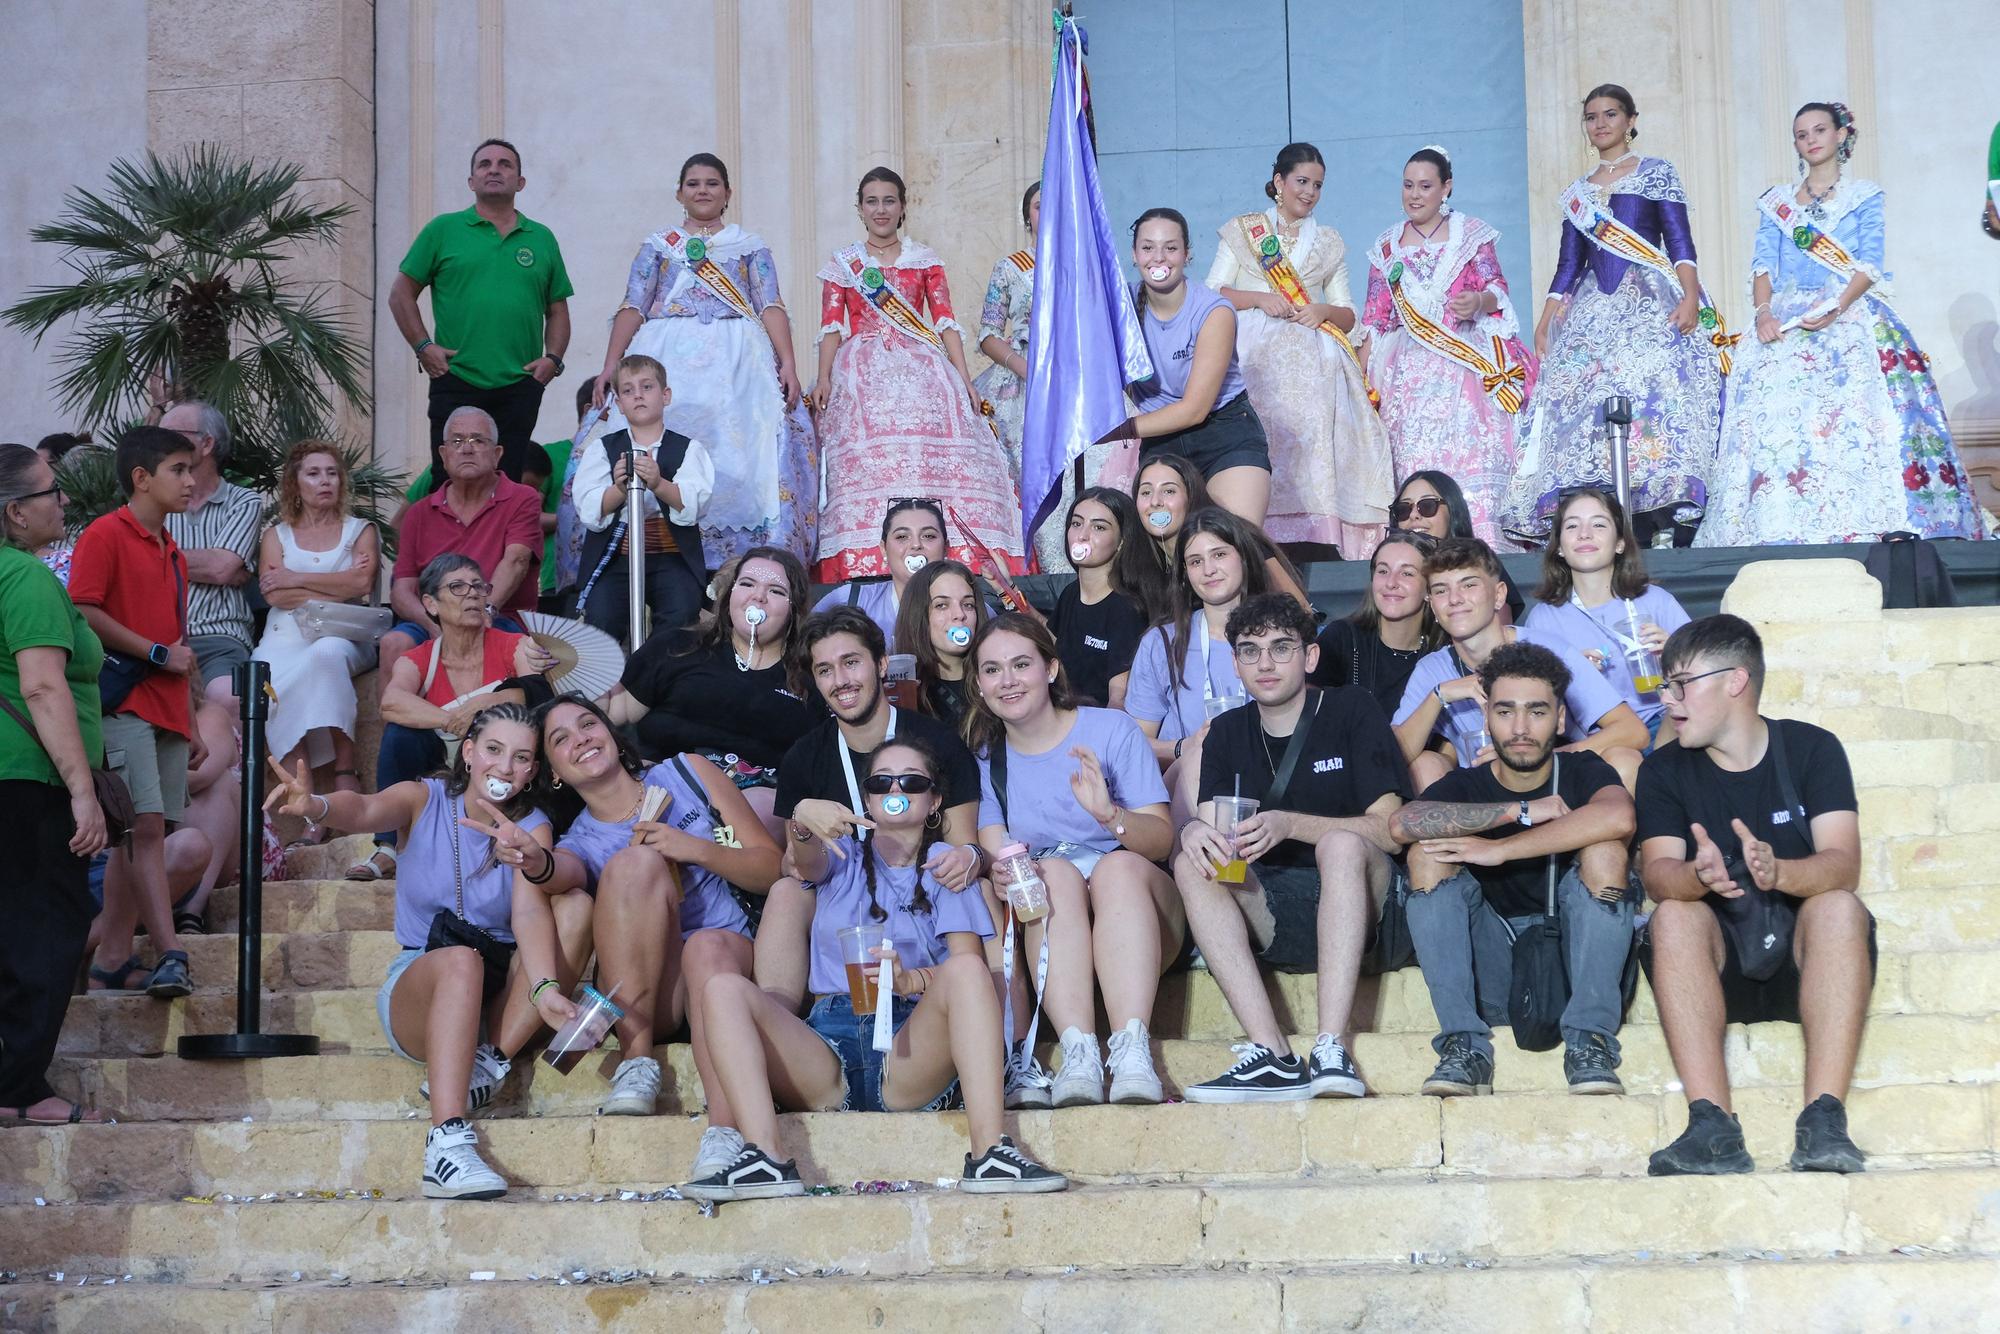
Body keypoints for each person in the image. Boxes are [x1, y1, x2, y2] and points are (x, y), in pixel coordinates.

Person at [685, 736, 1065, 1200]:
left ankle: (988, 1152)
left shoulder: (948, 869)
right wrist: (803, 819)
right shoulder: (838, 857)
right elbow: (804, 862)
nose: (894, 789)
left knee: (966, 973)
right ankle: (765, 1157)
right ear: (866, 797)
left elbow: (969, 969)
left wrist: (910, 980)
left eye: (911, 781)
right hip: (827, 1046)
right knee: (722, 987)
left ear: (934, 801)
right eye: (881, 782)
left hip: (908, 1050)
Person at [263, 704, 593, 1198]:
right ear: (469, 753)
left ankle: (489, 1061)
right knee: (461, 959)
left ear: (532, 772)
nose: (505, 767)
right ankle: (446, 1146)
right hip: (424, 982)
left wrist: (544, 987)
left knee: (575, 904)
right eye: (495, 750)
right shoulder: (425, 798)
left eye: (521, 758)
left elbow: (528, 915)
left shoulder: (533, 826)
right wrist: (317, 806)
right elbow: (366, 809)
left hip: (500, 989)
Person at [1636, 616, 1871, 1176]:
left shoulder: (1812, 748)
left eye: (1682, 683)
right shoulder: (1663, 769)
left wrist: (1779, 872)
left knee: (1839, 906)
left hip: (1807, 965)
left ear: (1735, 681)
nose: (1670, 700)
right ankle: (1712, 1128)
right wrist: (1699, 879)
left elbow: (1844, 864)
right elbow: (1656, 874)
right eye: (1667, 685)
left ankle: (1823, 1122)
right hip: (1715, 969)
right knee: (1672, 915)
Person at [1698, 102, 1984, 546]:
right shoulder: (1776, 204)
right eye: (1801, 133)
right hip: (1784, 321)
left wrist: (1836, 307)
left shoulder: (1864, 195)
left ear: (1839, 135)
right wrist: (1764, 314)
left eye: (1818, 130)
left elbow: (1870, 264)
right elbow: (1762, 267)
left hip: (1849, 315)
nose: (1810, 139)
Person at [532, 696, 780, 1184]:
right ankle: (637, 1060)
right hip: (654, 993)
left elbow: (771, 867)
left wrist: (696, 849)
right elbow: (556, 873)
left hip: (725, 959)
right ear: (554, 772)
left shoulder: (688, 772)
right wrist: (533, 861)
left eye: (588, 723)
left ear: (612, 733)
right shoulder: (578, 843)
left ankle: (725, 1134)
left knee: (704, 948)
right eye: (561, 739)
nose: (580, 738)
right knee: (632, 863)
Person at [1174, 594, 1407, 1102]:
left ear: (1310, 656)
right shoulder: (1228, 731)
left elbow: (1392, 829)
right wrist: (1191, 832)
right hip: (1280, 911)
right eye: (1250, 651)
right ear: (1234, 663)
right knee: (1194, 865)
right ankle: (1272, 1054)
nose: (1266, 663)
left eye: (1282, 648)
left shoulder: (1350, 708)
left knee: (1341, 846)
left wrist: (1290, 825)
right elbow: (1217, 838)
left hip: (1367, 911)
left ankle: (1331, 1047)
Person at [1391, 641, 1637, 1097]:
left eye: (1537, 712)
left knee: (1606, 850)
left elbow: (1618, 817)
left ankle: (1590, 1041)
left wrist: (1501, 850)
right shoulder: (1467, 783)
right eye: (1505, 712)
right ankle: (1464, 1046)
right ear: (1486, 719)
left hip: (1571, 964)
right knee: (1426, 855)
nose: (1520, 728)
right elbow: (1402, 823)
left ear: (1560, 719)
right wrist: (1518, 812)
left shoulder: (1581, 769)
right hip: (1496, 970)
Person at [968, 614, 1178, 1109]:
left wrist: (1109, 815)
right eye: (993, 670)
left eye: (1022, 664)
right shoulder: (986, 759)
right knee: (1051, 873)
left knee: (1117, 868)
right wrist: (999, 873)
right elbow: (1003, 855)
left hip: (1138, 907)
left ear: (1051, 668)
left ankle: (1131, 1051)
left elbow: (1161, 842)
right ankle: (1079, 1050)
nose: (1009, 680)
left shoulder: (1111, 730)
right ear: (978, 685)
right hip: (1053, 920)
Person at [1511, 84, 1726, 543]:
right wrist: (1546, 319)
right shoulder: (1576, 195)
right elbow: (1568, 266)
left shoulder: (1655, 173)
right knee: (1580, 399)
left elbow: (1680, 242)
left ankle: (1660, 511)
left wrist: (1689, 296)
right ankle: (1595, 507)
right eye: (1591, 117)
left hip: (1650, 298)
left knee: (1653, 392)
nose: (1601, 123)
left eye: (1610, 114)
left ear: (1631, 120)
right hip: (1591, 311)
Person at [594, 152, 818, 566]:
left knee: (741, 448)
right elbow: (633, 306)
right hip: (667, 355)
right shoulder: (659, 246)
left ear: (727, 193)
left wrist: (787, 362)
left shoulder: (749, 246)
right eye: (693, 183)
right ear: (679, 192)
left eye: (712, 183)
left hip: (737, 363)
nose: (702, 190)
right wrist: (612, 362)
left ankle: (738, 555)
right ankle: (654, 538)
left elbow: (770, 305)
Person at [767, 608, 988, 1009]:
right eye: (825, 670)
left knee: (978, 889)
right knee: (786, 892)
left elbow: (966, 846)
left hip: (923, 889)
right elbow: (797, 866)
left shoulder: (936, 742)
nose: (841, 681)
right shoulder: (804, 757)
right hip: (845, 894)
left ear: (881, 664)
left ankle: (1012, 1042)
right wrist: (801, 822)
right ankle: (778, 1020)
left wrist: (970, 857)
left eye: (851, 662)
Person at [812, 167, 1023, 583]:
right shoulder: (843, 265)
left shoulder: (924, 260)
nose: (880, 209)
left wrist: (963, 379)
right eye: (871, 201)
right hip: (862, 370)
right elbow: (831, 328)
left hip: (922, 364)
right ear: (859, 208)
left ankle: (943, 545)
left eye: (889, 200)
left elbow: (945, 322)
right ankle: (869, 552)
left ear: (903, 206)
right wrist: (823, 379)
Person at [70, 426, 204, 999]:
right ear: (141, 478)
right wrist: (154, 653)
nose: (191, 480)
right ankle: (172, 951)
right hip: (122, 702)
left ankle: (114, 957)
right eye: (179, 468)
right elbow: (82, 609)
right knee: (144, 829)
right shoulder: (104, 534)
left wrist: (193, 720)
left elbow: (181, 645)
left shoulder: (173, 551)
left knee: (145, 830)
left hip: (168, 707)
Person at [1208, 144, 1393, 551]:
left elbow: (1349, 315)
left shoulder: (1329, 241)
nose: (1309, 192)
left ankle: (1317, 527)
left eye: (1318, 186)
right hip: (1251, 344)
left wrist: (1322, 308)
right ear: (1279, 182)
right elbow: (1214, 292)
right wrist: (1257, 299)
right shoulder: (1244, 230)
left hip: (1314, 352)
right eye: (1301, 182)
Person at [0, 444, 110, 1125]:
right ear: (14, 512)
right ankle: (18, 1088)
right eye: (50, 492)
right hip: (27, 780)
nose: (63, 502)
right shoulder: (28, 579)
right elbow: (42, 686)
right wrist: (81, 789)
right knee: (48, 928)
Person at [1362, 148, 1534, 547]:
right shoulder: (1387, 246)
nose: (1415, 195)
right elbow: (1376, 317)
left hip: (1465, 365)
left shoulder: (1471, 234)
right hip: (1407, 372)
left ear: (1446, 188)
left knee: (1473, 456)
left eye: (1425, 186)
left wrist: (1478, 302)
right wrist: (1361, 379)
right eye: (1408, 186)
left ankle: (1481, 541)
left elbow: (1497, 290)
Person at [1392, 537, 1648, 792]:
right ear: (1433, 607)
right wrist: (1440, 695)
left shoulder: (1550, 650)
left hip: (1558, 781)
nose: (1454, 599)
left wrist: (1542, 760)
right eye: (1440, 590)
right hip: (1487, 797)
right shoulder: (1432, 670)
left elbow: (1633, 731)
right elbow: (1393, 756)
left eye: (1468, 585)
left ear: (1499, 595)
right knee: (1423, 765)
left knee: (1625, 760)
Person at [390, 137, 574, 487]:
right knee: (449, 481)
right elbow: (400, 294)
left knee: (508, 484)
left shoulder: (541, 238)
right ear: (471, 181)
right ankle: (449, 546)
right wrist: (423, 347)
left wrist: (553, 359)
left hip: (520, 383)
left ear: (520, 182)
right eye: (484, 164)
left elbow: (558, 309)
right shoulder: (442, 231)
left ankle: (503, 546)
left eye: (505, 164)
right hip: (455, 378)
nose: (494, 169)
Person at [357, 552, 551, 880]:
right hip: (445, 762)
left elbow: (536, 690)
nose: (473, 594)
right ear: (431, 603)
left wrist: (490, 701)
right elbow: (391, 702)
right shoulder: (417, 658)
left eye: (479, 586)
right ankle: (388, 845)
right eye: (458, 587)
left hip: (501, 761)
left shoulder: (515, 644)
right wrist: (451, 721)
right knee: (400, 735)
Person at [609, 548, 820, 798]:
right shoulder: (677, 647)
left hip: (758, 805)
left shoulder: (810, 677)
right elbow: (615, 710)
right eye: (747, 583)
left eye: (776, 591)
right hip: (666, 792)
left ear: (794, 607)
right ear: (730, 593)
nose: (758, 596)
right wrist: (567, 666)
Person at [1125, 510, 1296, 811]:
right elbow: (1134, 746)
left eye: (1218, 554)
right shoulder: (1162, 643)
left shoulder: (1282, 641)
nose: (1208, 569)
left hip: (1265, 788)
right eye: (1195, 561)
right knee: (1203, 756)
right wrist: (1186, 747)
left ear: (1243, 557)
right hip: (1186, 789)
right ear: (1185, 574)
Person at [974, 182, 1104, 574]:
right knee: (1033, 476)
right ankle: (1042, 569)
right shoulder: (1011, 267)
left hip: (1079, 377)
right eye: (1036, 206)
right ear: (1025, 216)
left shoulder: (1085, 261)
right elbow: (987, 335)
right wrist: (1027, 369)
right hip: (1023, 385)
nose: (1044, 212)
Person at [251, 441, 380, 814]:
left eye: (332, 473)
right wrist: (333, 582)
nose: (325, 481)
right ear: (295, 483)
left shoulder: (360, 531)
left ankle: (344, 768)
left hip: (344, 633)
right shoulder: (277, 536)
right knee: (267, 678)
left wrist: (295, 578)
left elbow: (361, 586)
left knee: (326, 654)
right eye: (313, 473)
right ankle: (304, 799)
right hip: (283, 636)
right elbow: (275, 597)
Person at [1126, 208, 1273, 527]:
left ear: (1187, 255)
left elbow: (1194, 410)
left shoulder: (1213, 310)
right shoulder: (1120, 306)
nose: (1158, 258)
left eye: (1171, 247)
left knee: (1235, 542)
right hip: (1161, 442)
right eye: (1148, 247)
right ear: (1135, 254)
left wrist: (1117, 430)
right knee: (1167, 551)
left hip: (1225, 431)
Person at [378, 407, 547, 676]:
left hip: (499, 616)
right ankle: (397, 720)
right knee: (393, 643)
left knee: (486, 642)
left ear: (497, 454)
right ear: (443, 455)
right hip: (434, 618)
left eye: (478, 440)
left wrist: (484, 613)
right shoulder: (419, 513)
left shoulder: (521, 498)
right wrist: (435, 624)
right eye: (457, 441)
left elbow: (516, 560)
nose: (467, 449)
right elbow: (402, 591)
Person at [1526, 488, 1689, 747]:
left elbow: (1705, 675)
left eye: (1599, 524)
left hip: (1663, 727)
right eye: (1572, 526)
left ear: (1620, 543)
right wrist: (1566, 679)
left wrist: (1675, 652)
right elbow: (1535, 702)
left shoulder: (1656, 601)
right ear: (1558, 547)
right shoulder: (1542, 619)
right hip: (1593, 739)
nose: (1584, 534)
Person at [571, 354, 714, 643]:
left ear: (665, 395)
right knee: (602, 617)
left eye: (646, 387)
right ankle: (611, 686)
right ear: (619, 404)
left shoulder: (689, 449)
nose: (638, 395)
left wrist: (659, 483)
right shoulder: (602, 449)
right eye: (627, 390)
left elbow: (693, 504)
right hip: (617, 554)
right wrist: (620, 488)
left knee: (680, 617)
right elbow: (589, 509)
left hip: (671, 553)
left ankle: (662, 683)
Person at [158, 400, 263, 690]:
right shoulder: (152, 501)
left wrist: (155, 558)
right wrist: (216, 563)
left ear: (206, 444)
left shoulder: (243, 501)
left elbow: (220, 569)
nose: (159, 444)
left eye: (173, 434)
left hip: (220, 636)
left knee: (226, 697)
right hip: (157, 637)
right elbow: (127, 560)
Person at [1309, 528, 1442, 717]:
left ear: (1429, 589)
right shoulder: (1342, 638)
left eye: (1407, 574)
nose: (1391, 583)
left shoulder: (1442, 650)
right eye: (1383, 571)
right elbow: (1309, 718)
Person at [1049, 487, 1151, 708]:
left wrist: (1102, 737)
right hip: (1061, 717)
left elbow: (1119, 696)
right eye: (1077, 523)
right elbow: (1050, 641)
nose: (1083, 535)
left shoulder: (1126, 608)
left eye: (1099, 527)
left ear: (1122, 540)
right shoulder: (1070, 594)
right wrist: (1003, 586)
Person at [811, 498, 951, 646]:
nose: (916, 545)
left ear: (946, 547)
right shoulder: (849, 599)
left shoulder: (964, 606)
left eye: (928, 536)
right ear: (883, 549)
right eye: (902, 537)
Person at [1394, 469, 1524, 621]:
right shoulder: (1389, 573)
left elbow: (1498, 637)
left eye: (1427, 505)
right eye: (1403, 509)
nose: (1413, 515)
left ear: (1452, 510)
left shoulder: (1479, 561)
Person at [893, 559, 986, 730]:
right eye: (941, 605)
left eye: (968, 605)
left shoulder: (996, 679)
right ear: (918, 615)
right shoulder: (904, 690)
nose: (959, 614)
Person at [1130, 455, 1211, 623]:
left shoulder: (1228, 542)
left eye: (1168, 491)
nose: (1155, 501)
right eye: (1146, 492)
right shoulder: (1133, 565)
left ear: (1191, 496)